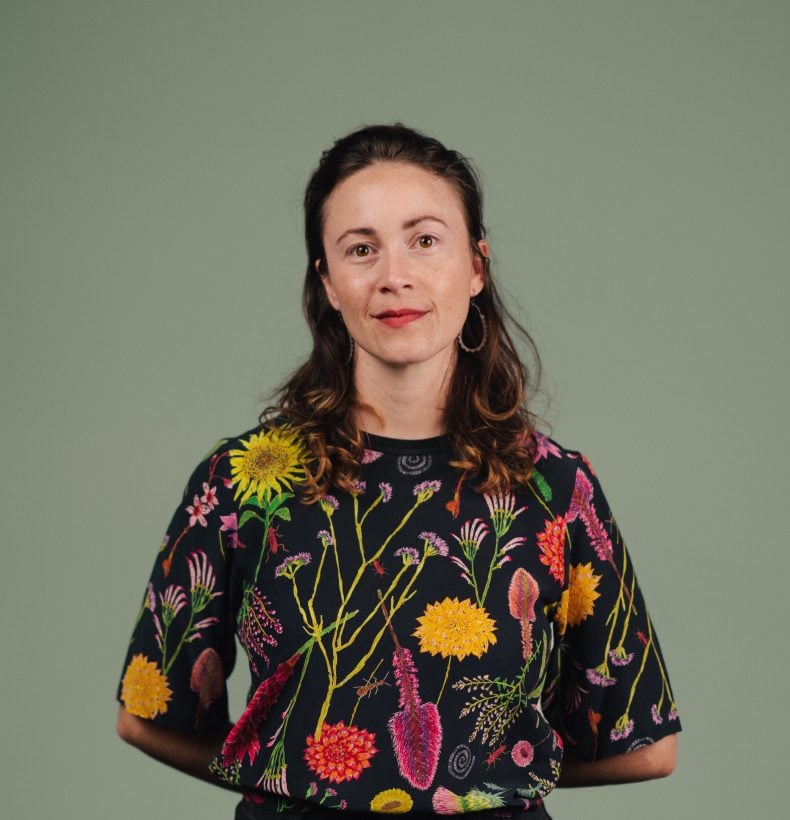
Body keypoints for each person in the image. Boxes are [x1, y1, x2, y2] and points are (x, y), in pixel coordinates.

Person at [116, 124, 680, 819]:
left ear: (477, 266)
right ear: (325, 282)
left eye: (424, 239)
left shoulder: (556, 489)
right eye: (360, 249)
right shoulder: (240, 483)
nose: (394, 276)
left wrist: (484, 779)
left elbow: (644, 743)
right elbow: (149, 715)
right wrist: (293, 776)